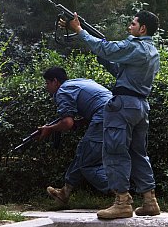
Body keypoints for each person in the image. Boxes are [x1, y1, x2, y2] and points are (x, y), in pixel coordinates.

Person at [61, 11, 161, 219]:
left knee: (115, 152)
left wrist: (79, 30)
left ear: (142, 29)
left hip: (123, 106)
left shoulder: (135, 46)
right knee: (138, 153)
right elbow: (120, 71)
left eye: (133, 24)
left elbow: (106, 48)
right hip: (140, 106)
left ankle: (122, 202)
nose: (129, 27)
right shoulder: (152, 51)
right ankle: (150, 200)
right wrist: (101, 52)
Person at [38, 66, 112, 206]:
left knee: (87, 163)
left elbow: (67, 123)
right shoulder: (79, 82)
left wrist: (49, 129)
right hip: (117, 112)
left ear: (55, 81)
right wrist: (79, 123)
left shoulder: (63, 91)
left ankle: (122, 194)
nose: (46, 87)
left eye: (47, 83)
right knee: (83, 152)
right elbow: (95, 104)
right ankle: (65, 192)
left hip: (105, 116)